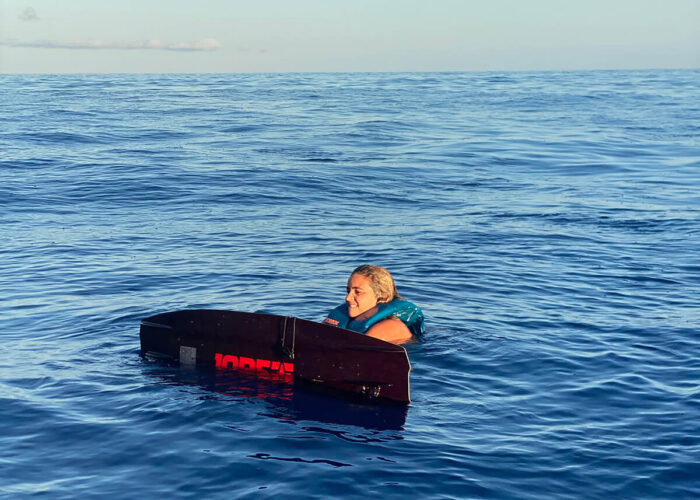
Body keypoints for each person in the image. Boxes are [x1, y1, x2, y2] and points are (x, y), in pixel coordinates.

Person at [323, 265, 424, 344]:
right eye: (348, 291)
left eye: (357, 292)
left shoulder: (390, 327)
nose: (348, 298)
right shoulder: (345, 318)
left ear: (382, 296)